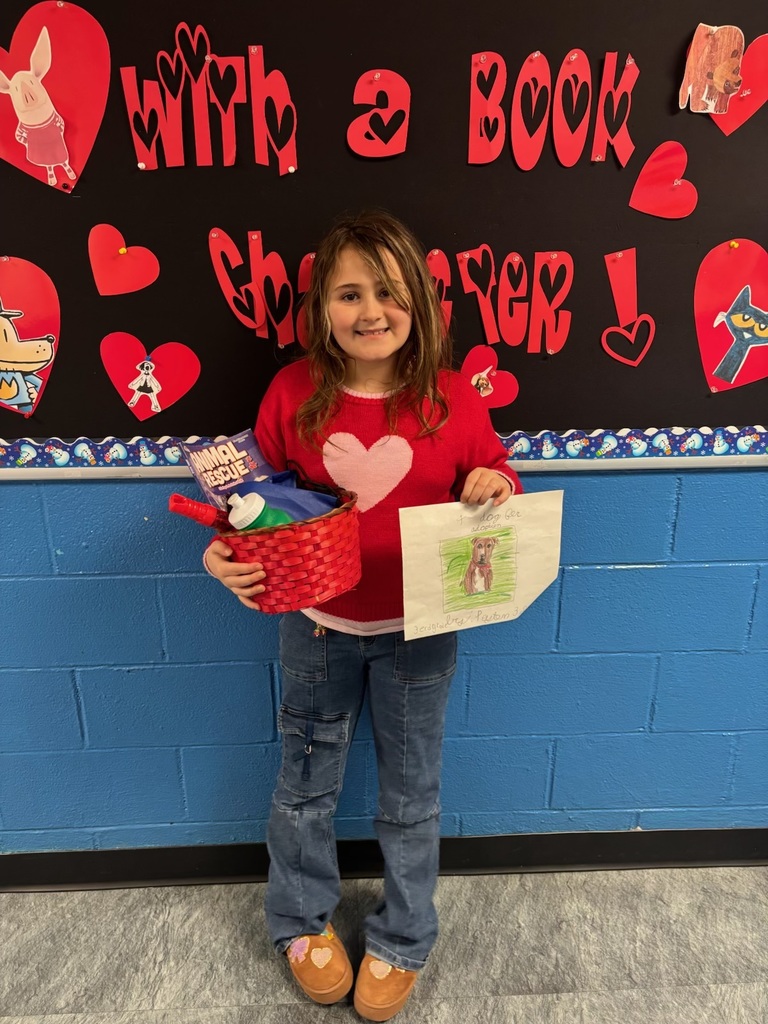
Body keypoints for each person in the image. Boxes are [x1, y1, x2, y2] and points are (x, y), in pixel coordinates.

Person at [204, 210, 522, 1021]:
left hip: (422, 634)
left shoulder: (449, 397)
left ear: (417, 300)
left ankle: (404, 935)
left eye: (387, 291)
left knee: (411, 793)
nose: (369, 310)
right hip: (318, 629)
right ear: (322, 309)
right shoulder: (292, 393)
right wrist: (221, 550)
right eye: (349, 293)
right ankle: (299, 920)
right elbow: (249, 502)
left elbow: (493, 469)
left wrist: (496, 486)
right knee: (305, 785)